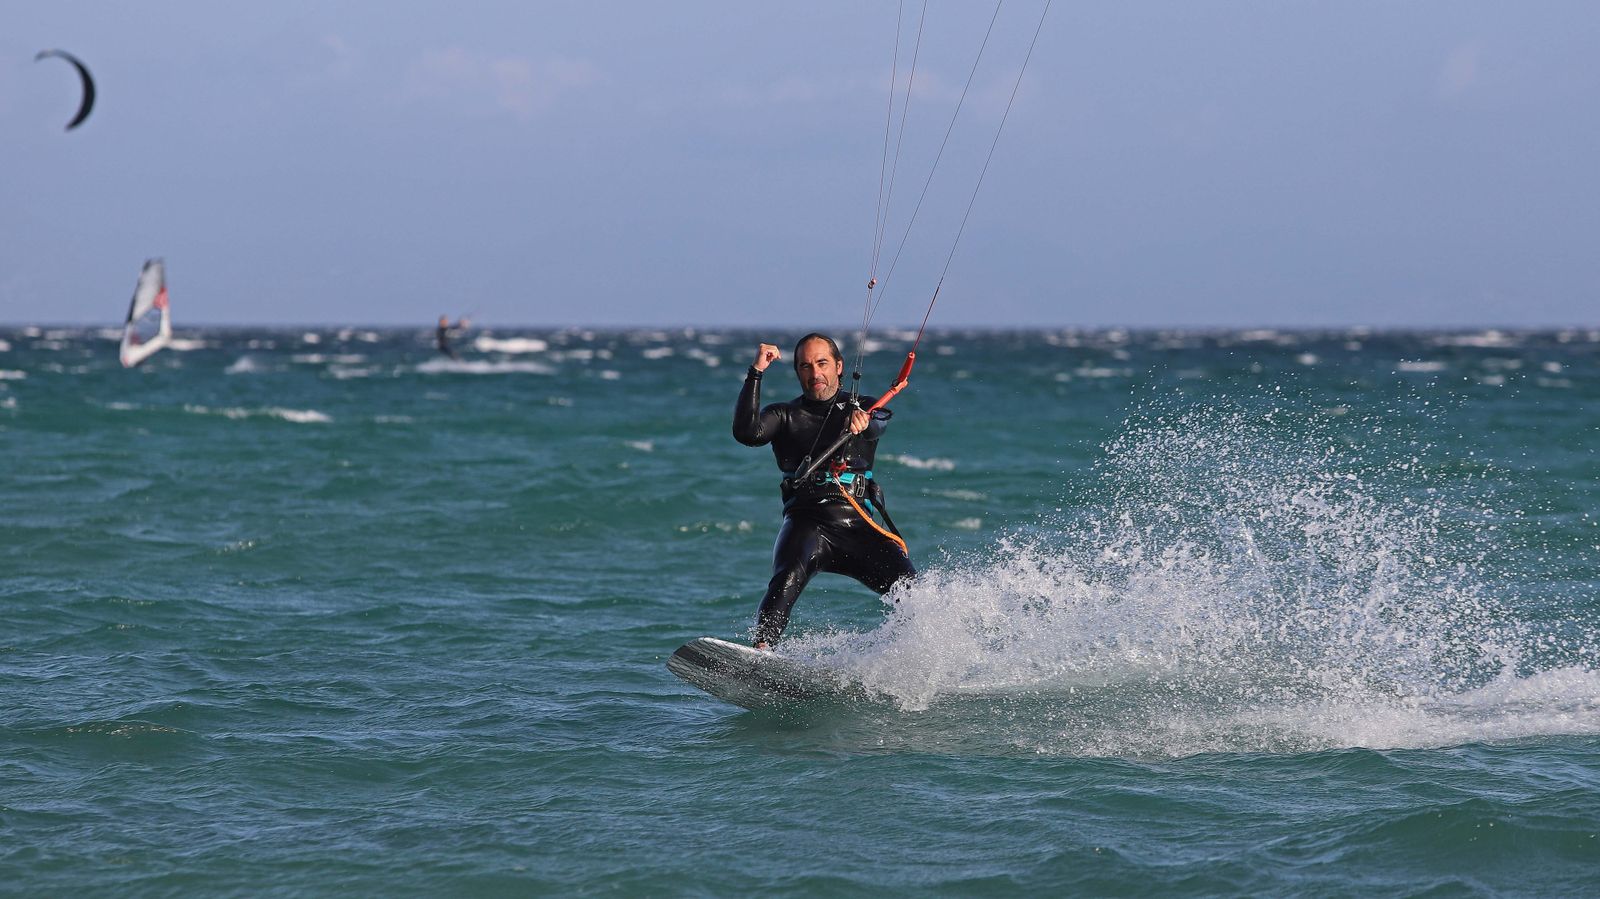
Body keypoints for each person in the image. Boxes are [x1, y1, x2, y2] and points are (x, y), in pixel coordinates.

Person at [732, 333, 915, 648]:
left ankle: (919, 657)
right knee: (786, 577)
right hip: (807, 522)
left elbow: (879, 423)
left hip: (857, 524)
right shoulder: (784, 415)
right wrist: (756, 372)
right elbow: (748, 432)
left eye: (822, 363)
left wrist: (864, 423)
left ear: (839, 366)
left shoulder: (866, 407)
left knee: (912, 592)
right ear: (798, 372)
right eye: (805, 366)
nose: (814, 373)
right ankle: (761, 653)